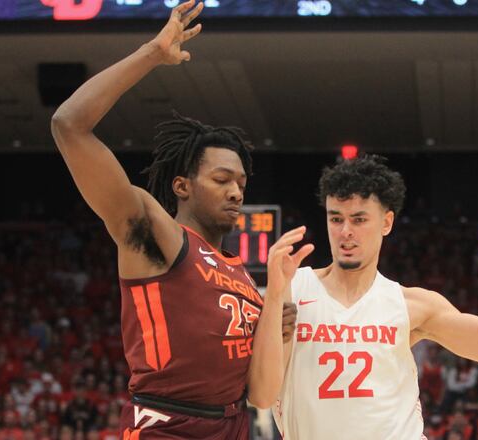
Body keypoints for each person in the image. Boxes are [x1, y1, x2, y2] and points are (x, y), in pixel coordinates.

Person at [51, 2, 295, 437]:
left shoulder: (241, 273)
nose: (236, 191)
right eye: (221, 179)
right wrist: (152, 53)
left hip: (234, 425)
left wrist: (275, 326)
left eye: (241, 181)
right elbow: (69, 125)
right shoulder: (156, 232)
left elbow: (259, 393)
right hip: (167, 424)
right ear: (182, 186)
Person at [251, 155, 478, 439]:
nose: (345, 232)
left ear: (386, 222)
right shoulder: (294, 289)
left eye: (359, 219)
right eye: (335, 219)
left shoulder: (412, 305)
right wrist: (276, 292)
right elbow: (262, 396)